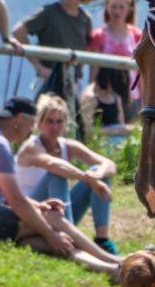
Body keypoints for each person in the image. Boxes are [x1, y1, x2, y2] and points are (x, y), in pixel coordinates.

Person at [0, 95, 120, 277]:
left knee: (35, 240)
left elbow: (2, 193)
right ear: (19, 120)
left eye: (59, 121)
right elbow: (16, 200)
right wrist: (51, 235)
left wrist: (37, 205)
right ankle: (113, 259)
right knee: (52, 220)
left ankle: (110, 269)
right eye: (32, 123)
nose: (31, 130)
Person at [16, 93, 119, 254]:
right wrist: (88, 179)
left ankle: (102, 240)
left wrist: (97, 175)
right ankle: (71, 237)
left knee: (98, 171)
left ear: (66, 123)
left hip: (57, 213)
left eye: (59, 121)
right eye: (49, 121)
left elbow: (109, 164)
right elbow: (52, 164)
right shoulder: (31, 147)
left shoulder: (68, 146)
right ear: (39, 122)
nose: (55, 127)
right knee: (57, 173)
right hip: (31, 215)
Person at [12, 0, 98, 120]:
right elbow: (19, 31)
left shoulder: (85, 19)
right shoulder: (48, 12)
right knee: (42, 121)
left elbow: (89, 49)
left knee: (73, 125)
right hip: (47, 80)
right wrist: (38, 66)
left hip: (73, 82)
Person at [88, 0, 142, 117]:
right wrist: (90, 94)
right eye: (113, 6)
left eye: (121, 7)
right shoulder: (98, 36)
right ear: (107, 7)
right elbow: (93, 69)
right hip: (105, 95)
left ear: (129, 9)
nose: (117, 11)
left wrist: (145, 98)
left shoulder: (137, 35)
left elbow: (141, 71)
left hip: (133, 94)